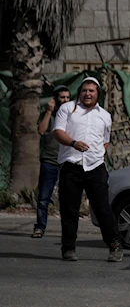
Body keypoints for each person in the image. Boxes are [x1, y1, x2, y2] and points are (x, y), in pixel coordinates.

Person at [53, 77, 123, 262]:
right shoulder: (67, 109)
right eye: (84, 90)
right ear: (80, 92)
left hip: (95, 167)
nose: (87, 94)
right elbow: (58, 132)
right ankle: (68, 248)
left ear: (98, 93)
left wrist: (96, 155)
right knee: (70, 209)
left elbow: (105, 141)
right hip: (71, 165)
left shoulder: (105, 116)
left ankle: (114, 245)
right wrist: (73, 143)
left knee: (103, 208)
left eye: (91, 91)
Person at [31, 85, 71, 238]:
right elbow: (41, 130)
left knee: (67, 199)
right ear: (55, 99)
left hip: (67, 161)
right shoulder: (49, 114)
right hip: (50, 161)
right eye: (62, 97)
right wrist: (48, 111)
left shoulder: (72, 115)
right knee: (44, 198)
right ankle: (40, 227)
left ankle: (67, 231)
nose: (65, 100)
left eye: (68, 97)